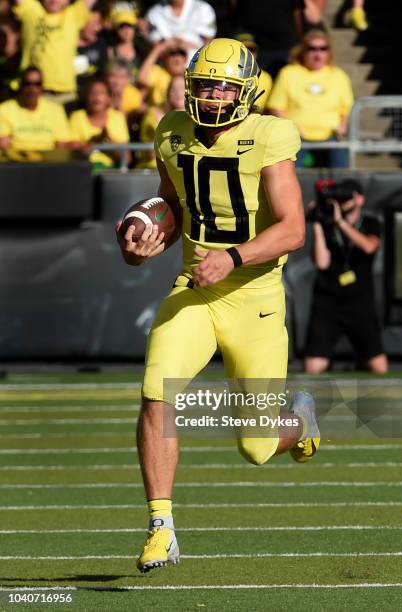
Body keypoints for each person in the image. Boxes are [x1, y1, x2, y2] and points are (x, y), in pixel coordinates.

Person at [116, 37, 320, 574]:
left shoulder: (269, 134)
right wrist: (143, 239)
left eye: (222, 86)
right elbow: (175, 205)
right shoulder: (171, 131)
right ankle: (162, 526)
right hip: (195, 287)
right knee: (157, 388)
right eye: (203, 83)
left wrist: (233, 257)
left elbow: (293, 229)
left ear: (246, 91)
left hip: (253, 298)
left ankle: (300, 420)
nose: (209, 95)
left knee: (255, 447)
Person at [305, 178, 388, 374]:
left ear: (360, 199)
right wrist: (317, 223)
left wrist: (340, 223)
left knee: (379, 366)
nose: (342, 201)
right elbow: (321, 263)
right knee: (313, 366)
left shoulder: (370, 222)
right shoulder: (327, 223)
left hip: (359, 302)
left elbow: (369, 246)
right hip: (328, 301)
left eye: (347, 196)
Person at [267, 28, 354, 168]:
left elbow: (347, 108)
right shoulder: (288, 73)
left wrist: (342, 126)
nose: (317, 54)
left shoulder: (339, 76)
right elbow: (276, 107)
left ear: (329, 52)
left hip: (331, 136)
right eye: (312, 49)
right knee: (289, 171)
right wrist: (292, 129)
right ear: (303, 51)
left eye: (323, 48)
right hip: (296, 137)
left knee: (341, 173)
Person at [13, 0, 95, 102]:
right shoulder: (32, 10)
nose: (54, 0)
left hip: (65, 94)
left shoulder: (73, 15)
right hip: (32, 90)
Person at [0, 65, 71, 157]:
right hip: (16, 162)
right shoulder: (4, 109)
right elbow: (4, 147)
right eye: (27, 84)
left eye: (37, 84)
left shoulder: (56, 110)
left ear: (42, 87)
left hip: (49, 162)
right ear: (21, 86)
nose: (32, 89)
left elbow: (62, 146)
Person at [69, 77, 130, 168]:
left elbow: (127, 158)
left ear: (109, 98)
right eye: (92, 93)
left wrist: (107, 141)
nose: (97, 97)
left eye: (101, 93)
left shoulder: (118, 117)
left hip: (110, 171)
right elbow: (72, 154)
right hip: (84, 169)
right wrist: (95, 141)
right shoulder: (77, 117)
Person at [137, 74, 185, 168]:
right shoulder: (153, 114)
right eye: (174, 89)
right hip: (153, 168)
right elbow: (152, 153)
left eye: (182, 88)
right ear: (167, 92)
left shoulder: (195, 118)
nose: (178, 93)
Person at [144, 0, 216, 60]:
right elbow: (157, 50)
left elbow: (208, 46)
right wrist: (182, 45)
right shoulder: (154, 13)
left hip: (199, 66)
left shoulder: (203, 9)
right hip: (166, 70)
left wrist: (174, 43)